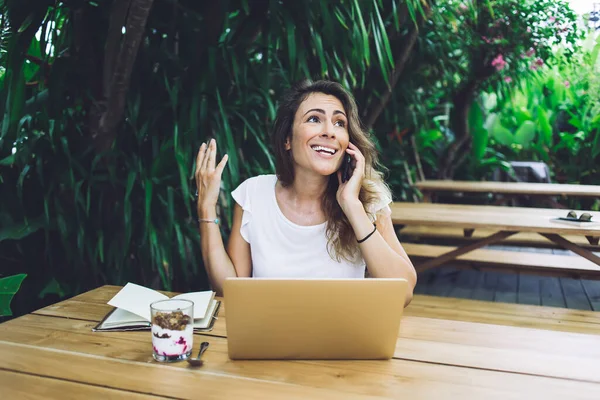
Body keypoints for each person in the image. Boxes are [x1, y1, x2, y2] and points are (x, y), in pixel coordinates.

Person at [195, 79, 417, 306]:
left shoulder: (367, 200)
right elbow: (231, 290)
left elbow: (404, 292)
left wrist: (351, 205)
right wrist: (206, 208)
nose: (330, 131)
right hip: (270, 338)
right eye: (314, 119)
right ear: (287, 140)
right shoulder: (253, 195)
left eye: (340, 123)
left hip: (342, 339)